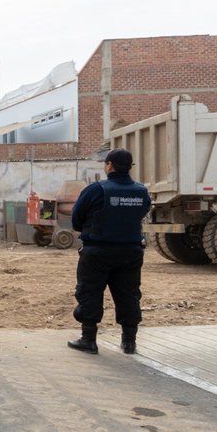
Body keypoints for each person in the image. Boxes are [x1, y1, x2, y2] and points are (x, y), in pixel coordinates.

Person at [67, 148, 152, 355]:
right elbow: (143, 212)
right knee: (129, 295)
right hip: (130, 252)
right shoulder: (141, 192)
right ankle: (129, 342)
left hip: (98, 252)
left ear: (109, 165)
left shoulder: (96, 190)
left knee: (90, 292)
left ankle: (88, 339)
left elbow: (76, 220)